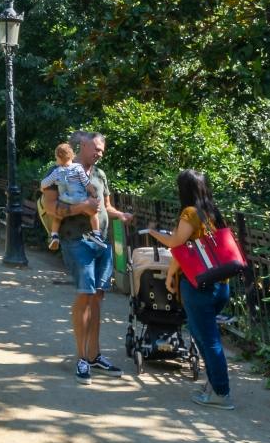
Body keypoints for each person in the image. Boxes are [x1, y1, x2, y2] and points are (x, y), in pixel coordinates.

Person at [143, 169, 235, 408]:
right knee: (201, 336)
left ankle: (221, 393)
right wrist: (172, 272)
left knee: (209, 340)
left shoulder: (190, 213)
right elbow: (188, 250)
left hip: (199, 286)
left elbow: (175, 244)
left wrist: (153, 233)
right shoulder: (212, 212)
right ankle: (213, 385)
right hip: (220, 284)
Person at [52, 130, 130, 380]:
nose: (99, 153)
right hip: (76, 241)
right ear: (82, 145)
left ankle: (95, 356)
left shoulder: (99, 174)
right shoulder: (61, 171)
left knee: (97, 296)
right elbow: (52, 207)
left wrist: (119, 215)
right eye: (95, 148)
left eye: (102, 151)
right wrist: (80, 208)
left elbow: (105, 206)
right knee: (86, 294)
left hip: (101, 243)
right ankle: (81, 357)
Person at [35, 141, 76, 252]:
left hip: (63, 201)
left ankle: (54, 235)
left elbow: (44, 184)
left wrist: (43, 188)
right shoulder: (78, 168)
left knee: (57, 216)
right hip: (77, 199)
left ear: (58, 157)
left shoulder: (56, 171)